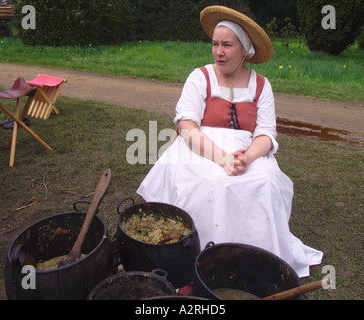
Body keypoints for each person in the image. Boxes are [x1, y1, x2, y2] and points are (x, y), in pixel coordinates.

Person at [137, 5, 323, 277]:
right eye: (215, 44)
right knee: (215, 183)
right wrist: (222, 158)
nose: (219, 52)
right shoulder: (200, 77)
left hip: (247, 151)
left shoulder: (261, 85)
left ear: (244, 49)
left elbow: (265, 133)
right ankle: (206, 259)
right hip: (201, 147)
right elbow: (186, 126)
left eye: (227, 45)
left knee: (267, 182)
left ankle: (256, 259)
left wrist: (246, 158)